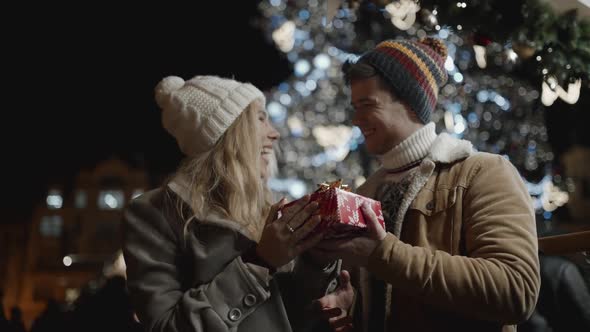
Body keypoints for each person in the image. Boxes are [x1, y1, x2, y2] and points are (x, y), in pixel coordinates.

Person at [312, 38, 541, 332]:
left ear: (410, 102)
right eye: (354, 106)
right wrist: (350, 307)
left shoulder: (482, 173)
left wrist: (384, 253)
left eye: (367, 105)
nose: (356, 119)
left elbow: (515, 291)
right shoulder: (367, 193)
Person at [122, 75, 354, 332]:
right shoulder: (154, 213)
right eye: (260, 118)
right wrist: (259, 262)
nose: (274, 134)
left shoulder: (270, 207)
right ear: (228, 132)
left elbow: (288, 314)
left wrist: (316, 270)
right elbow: (164, 326)